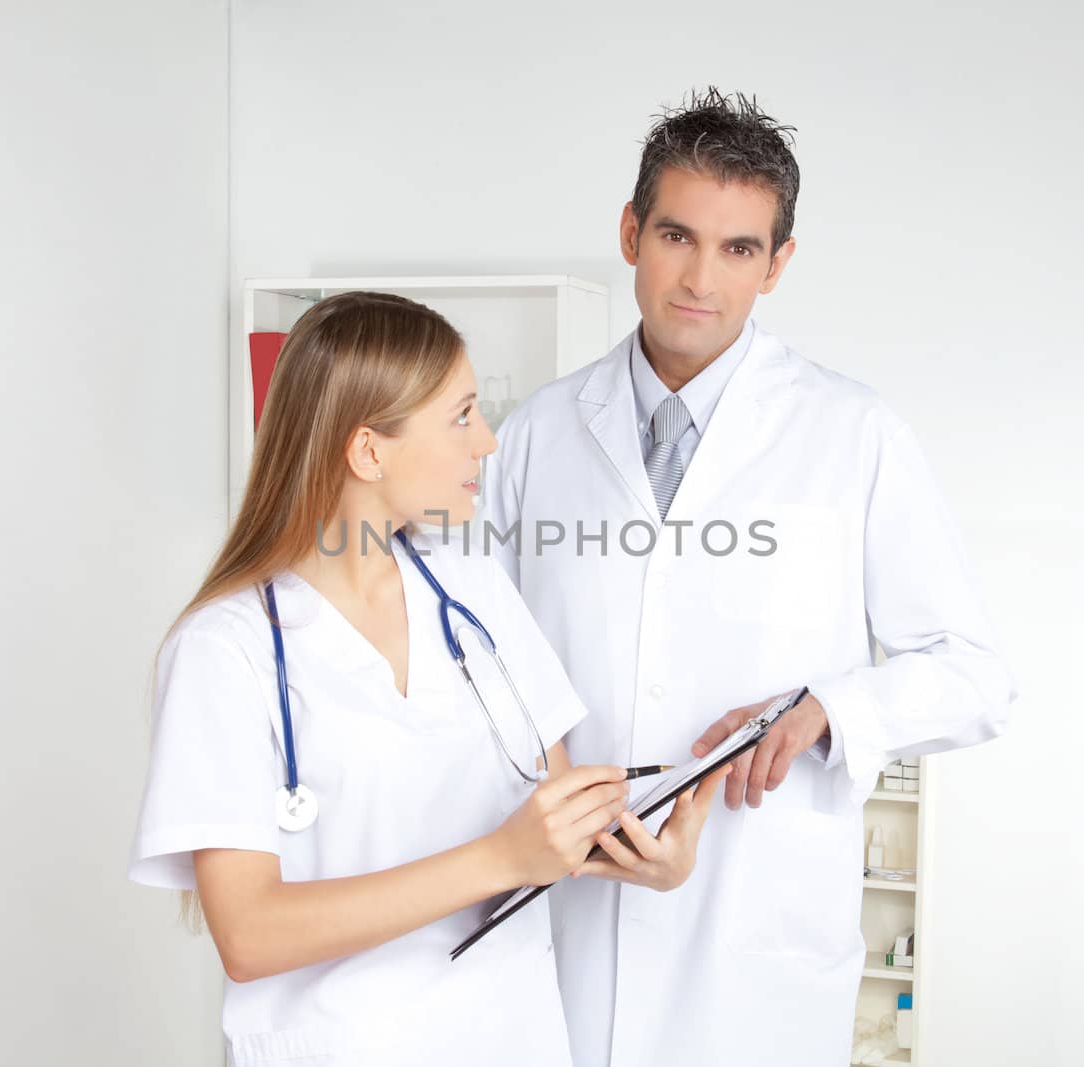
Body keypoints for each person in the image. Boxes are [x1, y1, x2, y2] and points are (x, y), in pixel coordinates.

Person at [482, 89, 1016, 1066]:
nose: (698, 277)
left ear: (778, 263)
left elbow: (975, 673)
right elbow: (478, 665)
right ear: (631, 232)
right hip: (558, 927)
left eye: (737, 249)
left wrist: (826, 708)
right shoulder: (535, 435)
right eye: (677, 235)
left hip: (750, 943)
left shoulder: (853, 434)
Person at [127, 292, 705, 1066]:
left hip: (512, 1035)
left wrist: (643, 856)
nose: (488, 444)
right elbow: (250, 933)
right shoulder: (226, 648)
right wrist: (501, 858)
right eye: (462, 416)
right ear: (368, 452)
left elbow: (553, 819)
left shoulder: (477, 592)